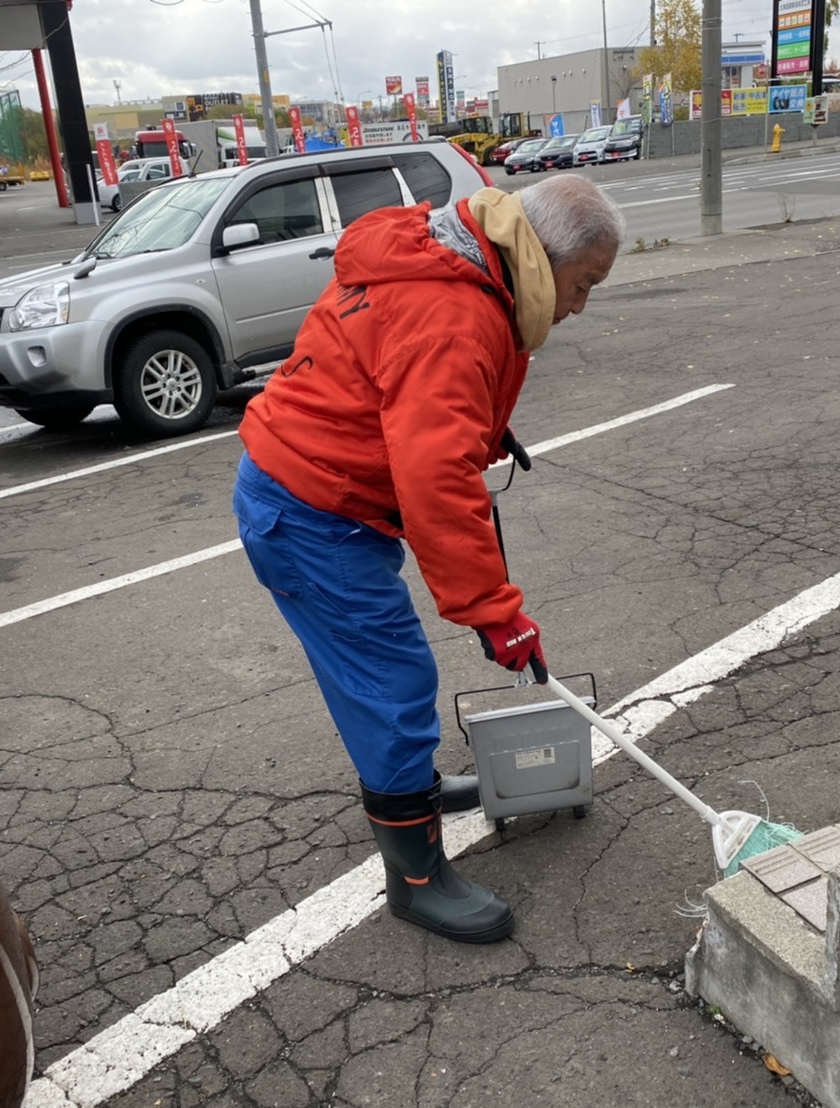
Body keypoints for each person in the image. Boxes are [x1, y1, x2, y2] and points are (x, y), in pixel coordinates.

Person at [233, 173, 624, 943]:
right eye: (583, 285)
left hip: (318, 492)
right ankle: (416, 879)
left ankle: (411, 789)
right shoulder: (454, 309)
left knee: (386, 679)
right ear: (541, 257)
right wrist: (494, 613)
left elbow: (413, 404)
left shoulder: (460, 256)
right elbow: (435, 477)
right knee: (392, 681)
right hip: (311, 510)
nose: (579, 307)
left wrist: (479, 427)